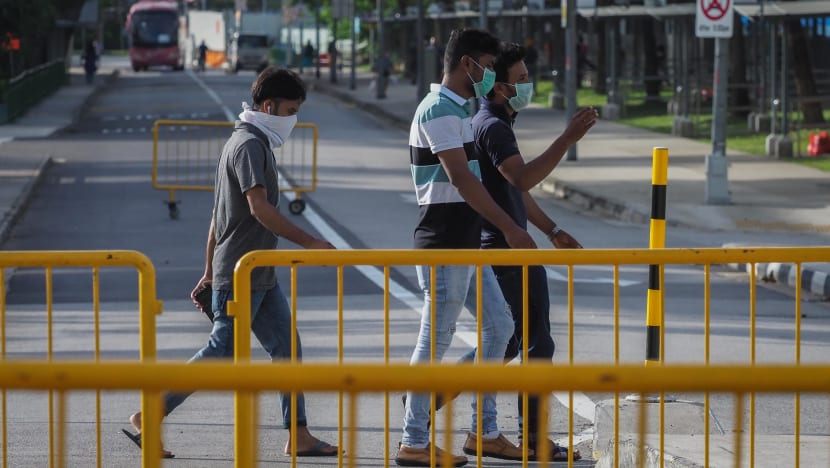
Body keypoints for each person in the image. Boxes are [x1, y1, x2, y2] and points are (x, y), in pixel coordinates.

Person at [124, 67, 339, 460]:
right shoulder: (249, 146)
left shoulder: (248, 141)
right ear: (269, 106)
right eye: (290, 110)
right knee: (221, 352)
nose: (294, 119)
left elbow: (218, 217)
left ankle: (299, 433)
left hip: (256, 273)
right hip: (241, 273)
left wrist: (208, 270)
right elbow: (258, 208)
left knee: (287, 349)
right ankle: (151, 410)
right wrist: (309, 241)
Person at [396, 29, 536, 468]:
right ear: (469, 64)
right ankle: (414, 440)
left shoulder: (458, 109)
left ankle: (485, 431)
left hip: (465, 242)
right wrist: (510, 227)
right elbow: (460, 178)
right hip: (444, 243)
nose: (492, 75)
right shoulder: (438, 109)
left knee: (501, 327)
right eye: (489, 66)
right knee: (434, 340)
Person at [469, 41, 597, 462]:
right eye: (522, 79)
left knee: (508, 344)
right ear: (501, 86)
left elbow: (512, 191)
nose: (529, 85)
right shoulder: (492, 125)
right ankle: (534, 441)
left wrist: (552, 228)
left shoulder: (497, 123)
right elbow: (523, 179)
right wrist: (567, 138)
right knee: (534, 344)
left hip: (513, 247)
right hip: (506, 254)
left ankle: (430, 401)